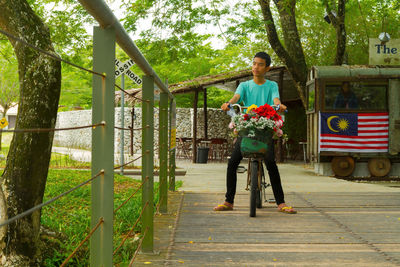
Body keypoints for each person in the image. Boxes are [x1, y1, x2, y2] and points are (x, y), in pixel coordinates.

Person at [213, 52, 297, 214]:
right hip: (247, 126)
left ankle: (281, 202)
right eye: (254, 64)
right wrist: (228, 104)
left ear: (267, 68)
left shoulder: (271, 85)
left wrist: (279, 106)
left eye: (260, 64)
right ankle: (228, 201)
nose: (255, 67)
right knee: (233, 162)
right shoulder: (244, 85)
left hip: (265, 129)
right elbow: (236, 97)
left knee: (271, 163)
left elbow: (275, 100)